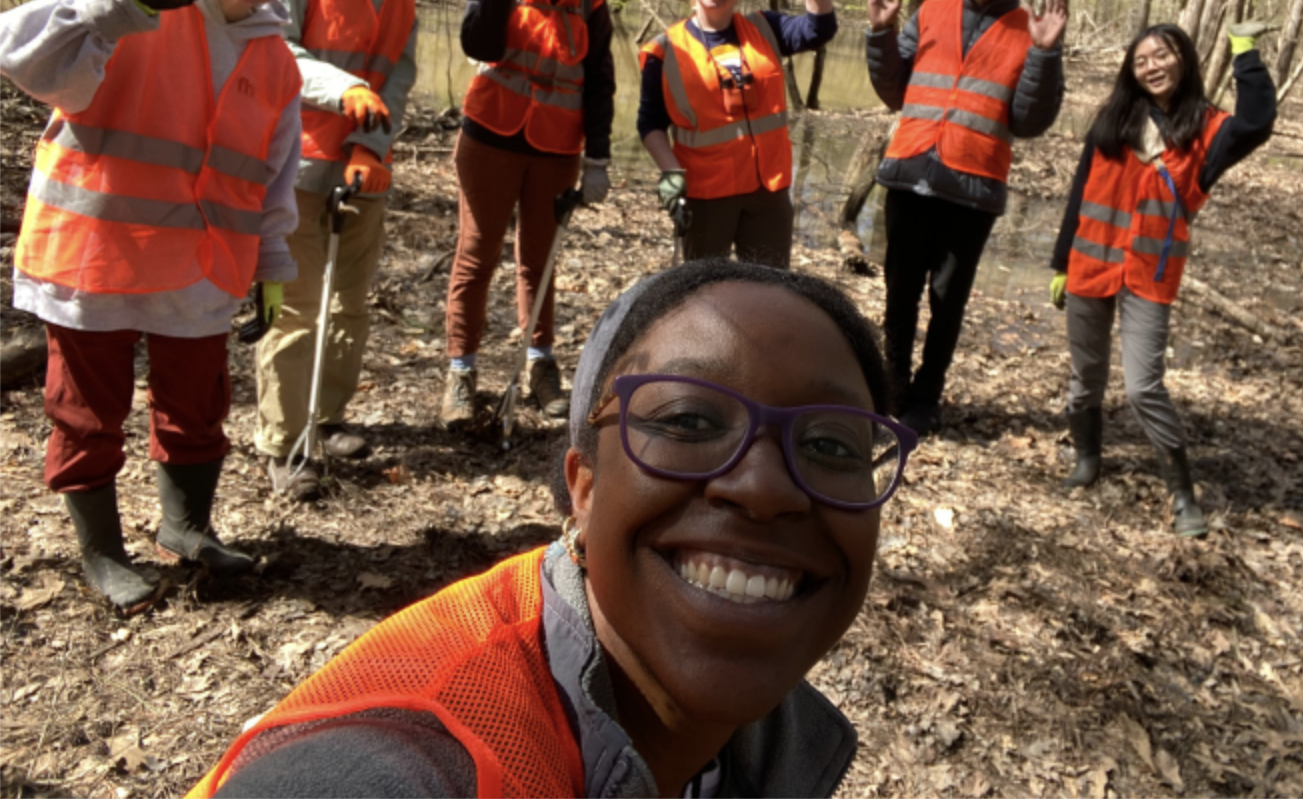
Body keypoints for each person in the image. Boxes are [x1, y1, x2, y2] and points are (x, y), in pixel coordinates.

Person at [188, 258, 917, 798]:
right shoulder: (409, 763)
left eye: (829, 445)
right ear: (584, 489)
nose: (763, 487)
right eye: (689, 421)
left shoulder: (761, 746)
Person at [0, 0, 309, 613]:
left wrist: (271, 268)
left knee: (198, 406)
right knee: (86, 411)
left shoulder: (277, 59)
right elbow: (21, 53)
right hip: (94, 254)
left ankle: (187, 527)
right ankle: (102, 553)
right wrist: (129, 1)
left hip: (202, 269)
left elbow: (274, 176)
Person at [253, 0, 437, 500]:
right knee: (296, 309)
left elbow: (402, 75)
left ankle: (325, 418)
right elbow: (278, 48)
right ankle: (283, 443)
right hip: (294, 159)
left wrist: (372, 146)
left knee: (350, 302)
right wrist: (344, 91)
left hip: (361, 165)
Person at [1049, 23, 1276, 537]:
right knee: (1086, 377)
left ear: (1184, 59)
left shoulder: (1210, 130)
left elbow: (1259, 121)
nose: (1152, 66)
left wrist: (1246, 52)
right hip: (1090, 264)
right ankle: (1087, 459)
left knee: (1143, 386)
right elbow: (1081, 188)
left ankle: (1182, 493)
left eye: (1163, 55)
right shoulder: (1112, 120)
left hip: (1150, 276)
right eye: (1141, 60)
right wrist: (1061, 261)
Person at [866, 0, 1067, 436]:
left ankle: (927, 397)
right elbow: (895, 91)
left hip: (971, 188)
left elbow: (1030, 121)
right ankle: (892, 387)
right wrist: (881, 33)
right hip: (910, 174)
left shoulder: (1031, 27)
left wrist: (1045, 53)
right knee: (899, 292)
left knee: (947, 300)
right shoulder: (931, 12)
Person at [442, 0, 615, 424]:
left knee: (538, 262)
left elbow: (600, 83)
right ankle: (461, 375)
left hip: (555, 148)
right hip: (489, 137)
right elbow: (478, 40)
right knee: (477, 255)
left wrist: (598, 158)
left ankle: (540, 367)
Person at [638, 0, 835, 267]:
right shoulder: (664, 50)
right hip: (705, 193)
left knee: (769, 294)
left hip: (768, 192)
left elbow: (821, 28)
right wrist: (670, 174)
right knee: (705, 295)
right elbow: (650, 123)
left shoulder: (765, 29)